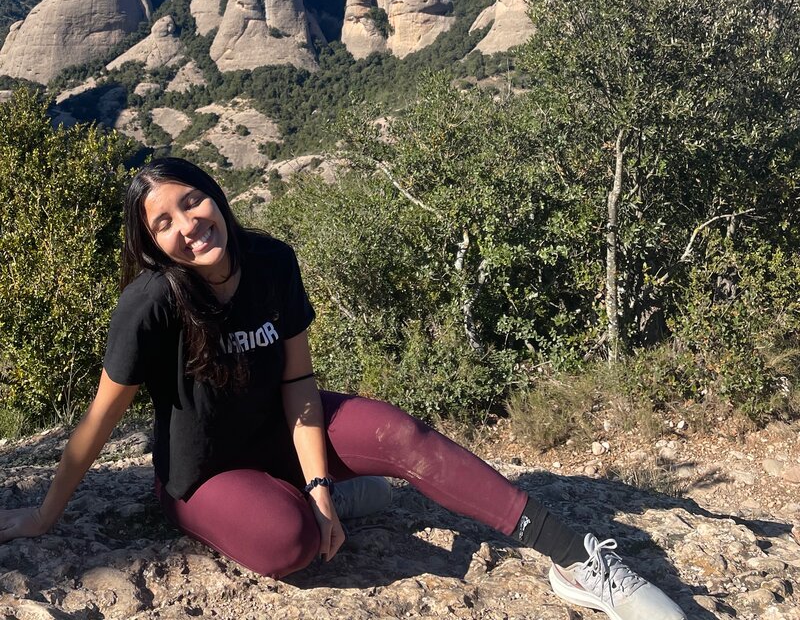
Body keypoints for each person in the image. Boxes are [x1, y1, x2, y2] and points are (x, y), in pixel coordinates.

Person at [0, 158, 685, 620]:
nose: (188, 225)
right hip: (203, 474)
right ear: (151, 243)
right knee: (291, 542)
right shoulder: (150, 304)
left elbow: (299, 380)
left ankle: (574, 558)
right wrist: (44, 517)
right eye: (163, 223)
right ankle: (310, 500)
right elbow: (97, 422)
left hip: (283, 433)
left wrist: (321, 483)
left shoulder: (271, 261)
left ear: (215, 195)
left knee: (398, 432)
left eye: (193, 201)